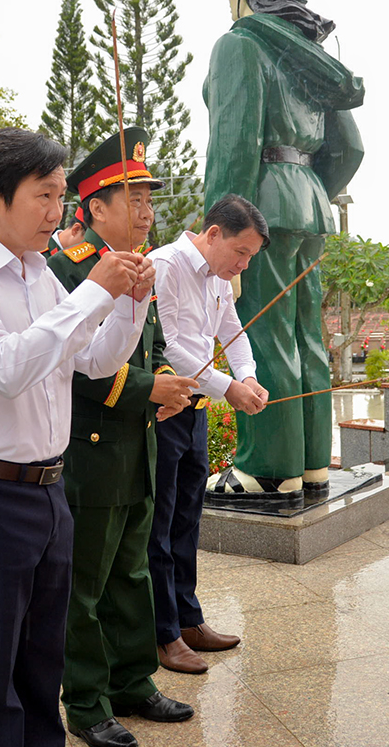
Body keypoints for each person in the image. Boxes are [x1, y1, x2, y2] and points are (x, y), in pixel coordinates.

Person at [0, 127, 152, 747]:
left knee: (42, 664)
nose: (57, 213)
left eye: (59, 196)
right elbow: (8, 367)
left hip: (49, 490)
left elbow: (94, 362)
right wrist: (94, 291)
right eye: (44, 196)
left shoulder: (38, 274)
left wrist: (127, 304)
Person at [48, 128, 199, 747]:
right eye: (132, 199)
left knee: (132, 572)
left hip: (140, 446)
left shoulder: (143, 268)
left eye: (148, 200)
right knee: (85, 585)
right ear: (94, 210)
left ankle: (134, 682)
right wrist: (143, 391)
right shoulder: (64, 273)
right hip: (89, 447)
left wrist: (164, 383)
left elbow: (151, 347)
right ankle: (86, 703)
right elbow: (68, 365)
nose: (146, 212)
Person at [203, 0, 364, 499]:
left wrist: (222, 235)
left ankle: (267, 468)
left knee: (263, 332)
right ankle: (313, 461)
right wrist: (310, 192)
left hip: (258, 207)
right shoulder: (311, 58)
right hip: (308, 207)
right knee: (304, 335)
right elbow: (349, 150)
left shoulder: (241, 46)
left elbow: (232, 147)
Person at [148, 194, 270, 674]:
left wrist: (250, 375)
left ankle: (188, 617)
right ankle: (163, 634)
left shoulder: (219, 277)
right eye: (239, 253)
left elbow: (232, 329)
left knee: (187, 518)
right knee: (159, 523)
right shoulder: (166, 265)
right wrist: (229, 389)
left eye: (250, 258)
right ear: (213, 233)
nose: (241, 264)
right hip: (165, 407)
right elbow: (172, 346)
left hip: (195, 408)